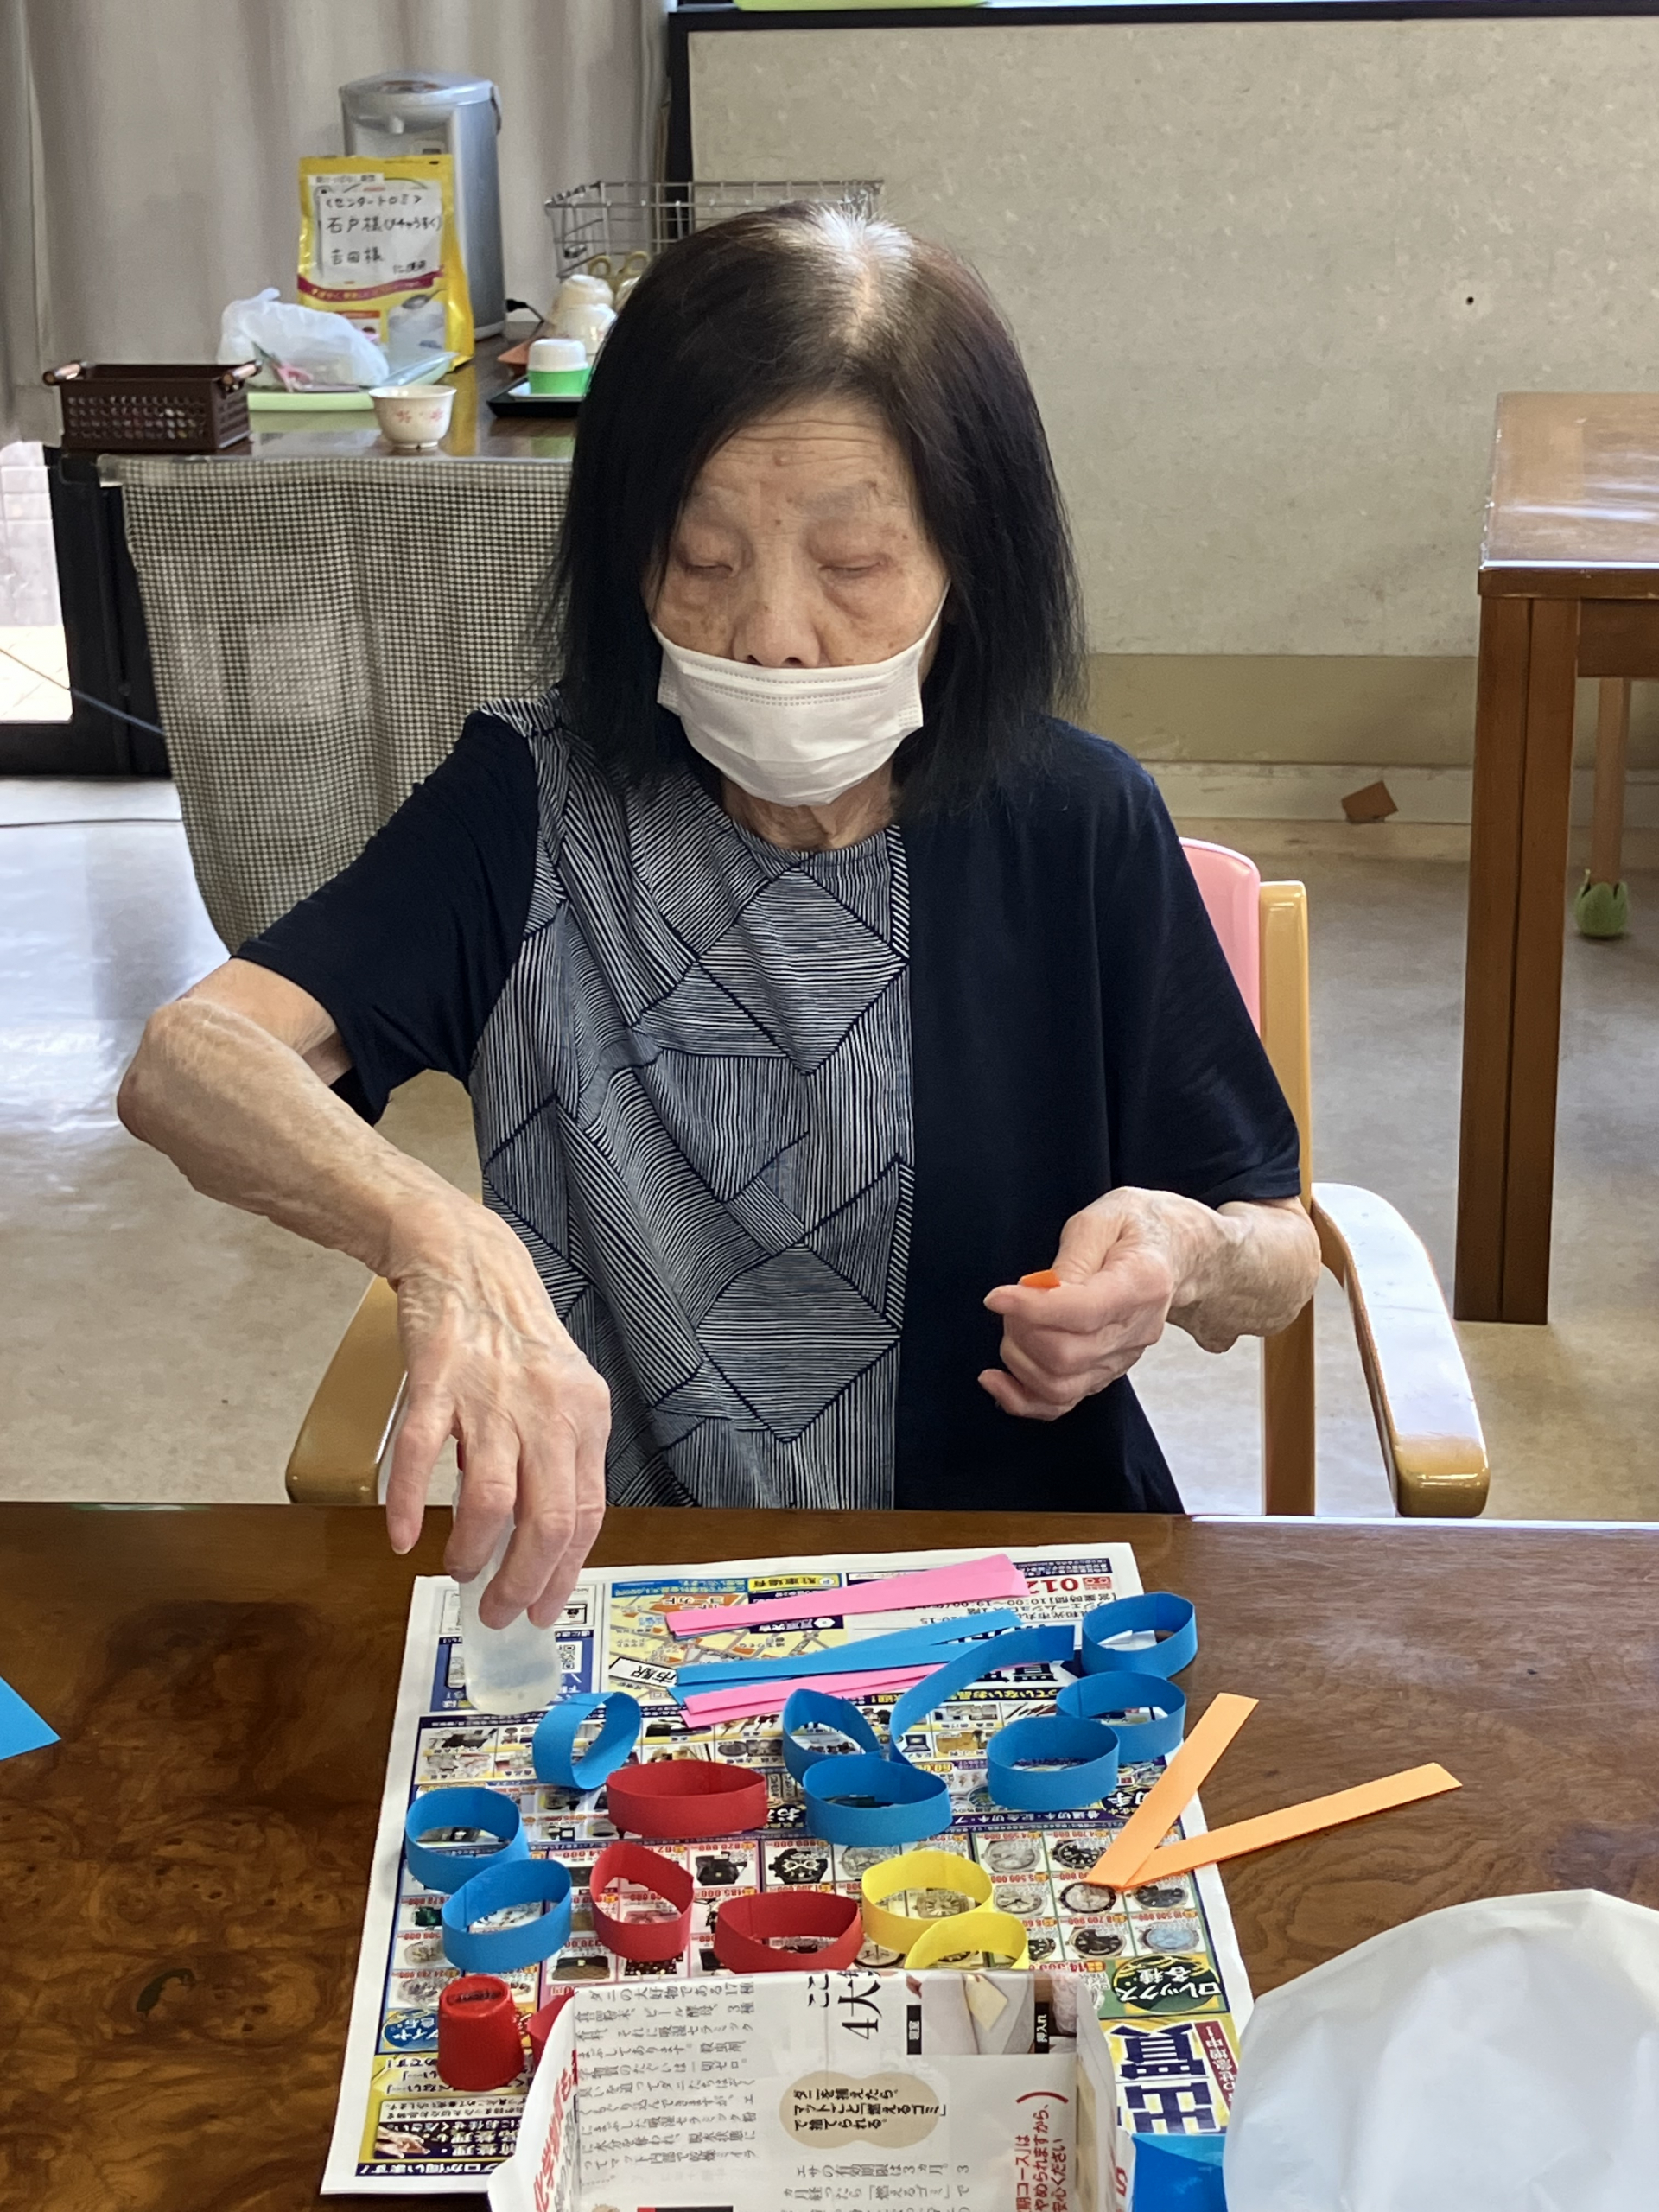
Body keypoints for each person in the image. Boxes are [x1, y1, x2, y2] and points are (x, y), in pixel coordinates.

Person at [119, 206, 1320, 1634]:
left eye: (854, 565)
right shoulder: (531, 802)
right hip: (639, 1595)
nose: (771, 634)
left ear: (970, 560)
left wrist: (1184, 1252)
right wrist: (437, 1234)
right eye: (700, 560)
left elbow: (1281, 1251)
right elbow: (192, 1063)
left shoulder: (1075, 820)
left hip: (1007, 1594)